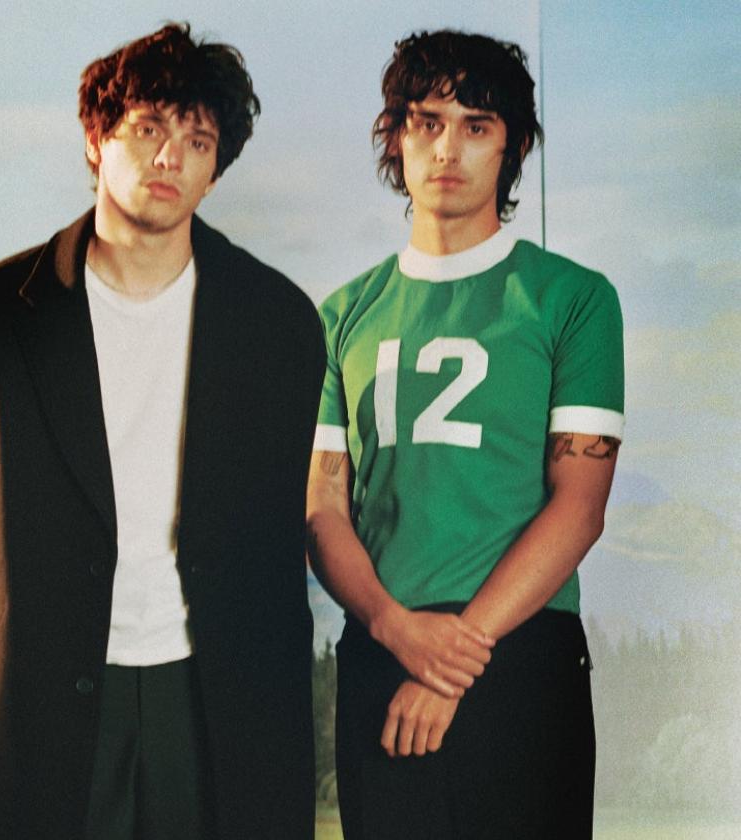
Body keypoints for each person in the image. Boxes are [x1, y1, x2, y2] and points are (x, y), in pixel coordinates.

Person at [0, 22, 324, 840]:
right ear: (94, 141)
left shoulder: (277, 322)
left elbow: (281, 524)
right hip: (53, 686)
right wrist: (53, 616)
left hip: (216, 686)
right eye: (148, 128)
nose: (171, 156)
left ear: (217, 171)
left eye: (198, 139)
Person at [307, 29, 624, 839]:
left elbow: (579, 507)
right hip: (384, 644)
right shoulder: (341, 316)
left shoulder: (573, 300)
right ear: (396, 136)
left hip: (521, 652)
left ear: (512, 145)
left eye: (476, 124)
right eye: (426, 121)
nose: (447, 147)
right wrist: (392, 627)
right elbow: (322, 509)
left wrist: (455, 662)